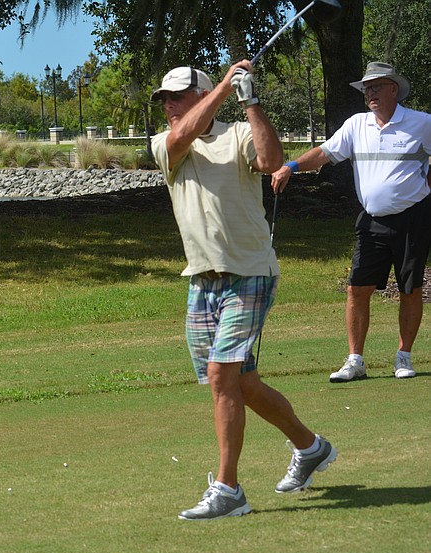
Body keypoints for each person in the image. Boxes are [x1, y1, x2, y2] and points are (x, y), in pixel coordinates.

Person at [150, 61, 337, 521]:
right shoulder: (165, 143)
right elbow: (180, 138)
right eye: (165, 99)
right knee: (242, 383)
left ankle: (229, 489)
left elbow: (272, 163)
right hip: (201, 279)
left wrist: (249, 100)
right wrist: (223, 88)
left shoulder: (235, 134)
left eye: (177, 96)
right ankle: (310, 447)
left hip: (250, 272)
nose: (169, 105)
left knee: (221, 376)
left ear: (199, 95)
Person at [271, 62, 431, 383]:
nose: (369, 93)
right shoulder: (356, 125)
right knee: (357, 288)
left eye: (375, 87)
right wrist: (290, 165)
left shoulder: (422, 123)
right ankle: (355, 360)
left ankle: (404, 357)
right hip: (371, 221)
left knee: (409, 289)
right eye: (366, 88)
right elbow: (324, 153)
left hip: (413, 219)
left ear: (393, 90)